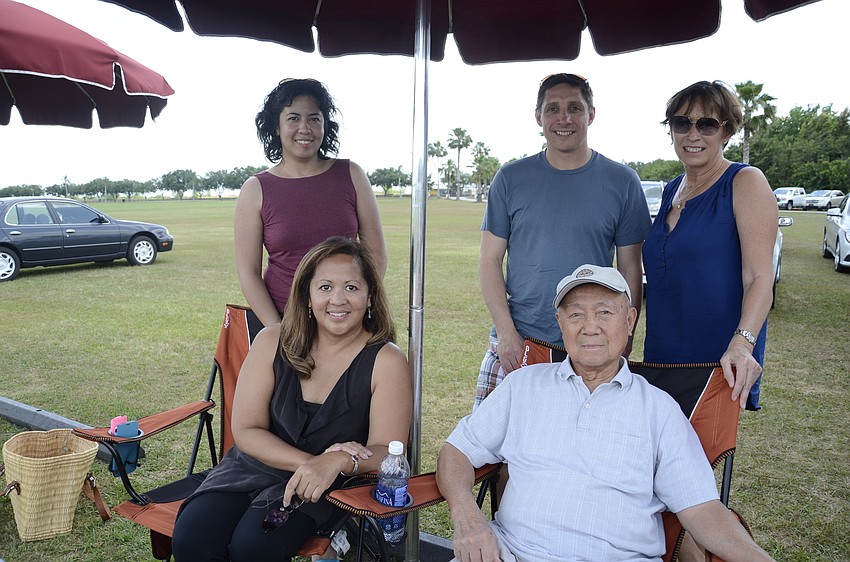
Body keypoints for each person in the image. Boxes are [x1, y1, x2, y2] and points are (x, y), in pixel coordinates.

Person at [437, 264, 776, 562]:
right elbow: (457, 451)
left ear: (629, 321)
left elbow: (702, 509)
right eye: (575, 315)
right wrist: (468, 518)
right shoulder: (522, 385)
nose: (590, 327)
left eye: (604, 313)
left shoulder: (658, 409)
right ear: (560, 323)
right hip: (509, 553)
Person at [172, 237, 411, 562]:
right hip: (249, 470)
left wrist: (338, 463)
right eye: (325, 287)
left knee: (255, 547)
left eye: (352, 287)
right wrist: (313, 463)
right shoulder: (272, 341)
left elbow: (388, 451)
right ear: (307, 296)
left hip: (318, 489)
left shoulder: (386, 360)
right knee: (193, 540)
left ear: (370, 296)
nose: (338, 299)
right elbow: (246, 430)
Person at [475, 72, 650, 409]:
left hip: (591, 342)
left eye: (574, 108)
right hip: (519, 340)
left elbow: (630, 269)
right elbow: (489, 260)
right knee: (492, 440)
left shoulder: (623, 181)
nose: (564, 118)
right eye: (553, 109)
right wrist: (506, 333)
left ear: (591, 114)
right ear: (538, 117)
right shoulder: (510, 178)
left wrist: (624, 336)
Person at [642, 80, 779, 411]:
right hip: (661, 355)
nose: (693, 134)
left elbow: (760, 278)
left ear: (726, 131)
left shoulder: (745, 182)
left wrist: (743, 343)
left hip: (717, 360)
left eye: (707, 124)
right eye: (682, 123)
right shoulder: (672, 189)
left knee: (701, 444)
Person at [235, 78, 387, 327]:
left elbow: (376, 255)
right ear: (276, 126)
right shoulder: (255, 189)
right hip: (284, 319)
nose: (304, 128)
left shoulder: (352, 175)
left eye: (314, 119)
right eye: (293, 118)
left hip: (347, 319)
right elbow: (248, 273)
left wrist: (354, 308)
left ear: (325, 125)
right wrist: (278, 330)